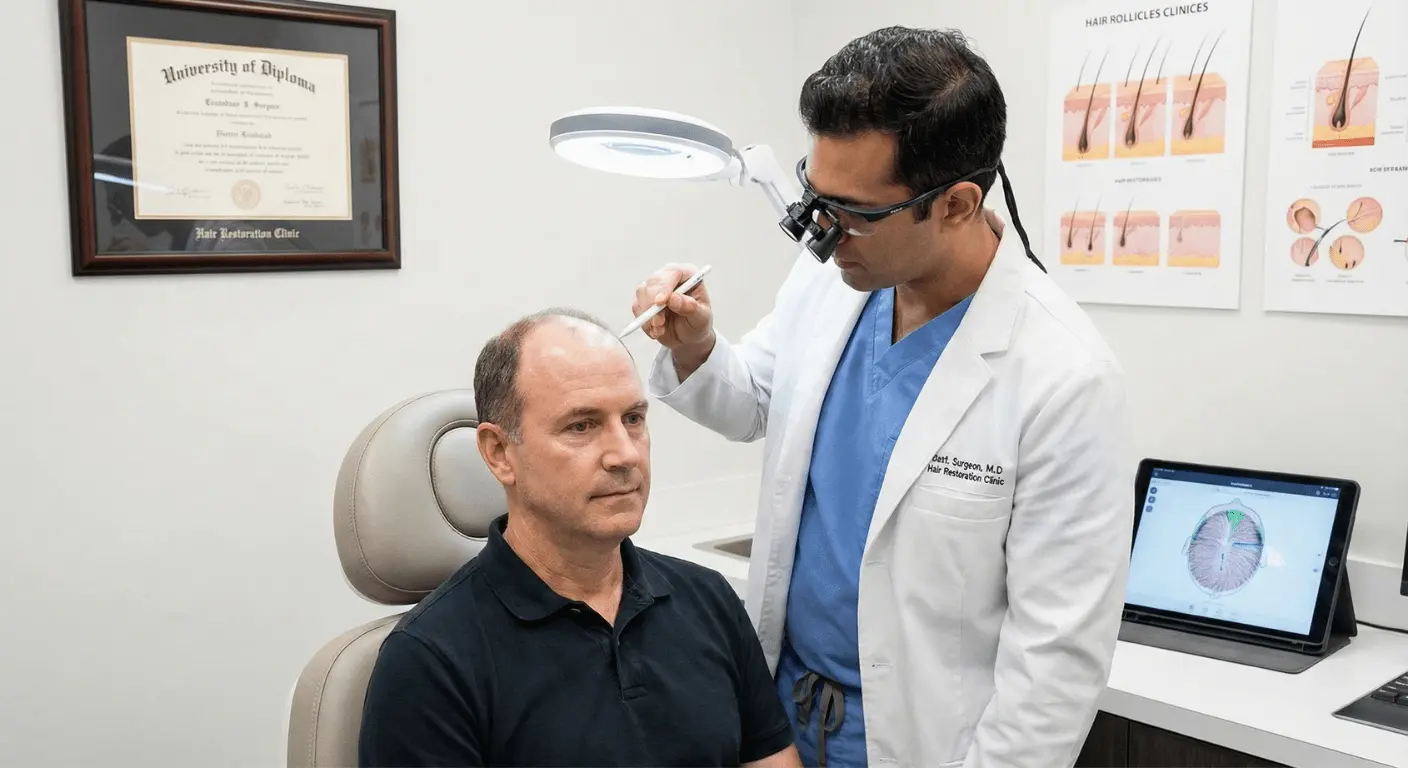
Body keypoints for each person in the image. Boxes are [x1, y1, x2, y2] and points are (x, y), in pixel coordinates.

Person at [629, 26, 1131, 768]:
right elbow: (760, 401)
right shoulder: (836, 279)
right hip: (782, 719)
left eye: (856, 213)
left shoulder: (1064, 378)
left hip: (922, 745)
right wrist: (696, 346)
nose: (823, 233)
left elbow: (1055, 665)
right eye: (816, 195)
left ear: (956, 204)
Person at [357, 308, 802, 768]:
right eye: (581, 426)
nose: (625, 455)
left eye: (633, 419)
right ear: (499, 453)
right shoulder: (430, 661)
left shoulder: (709, 600)